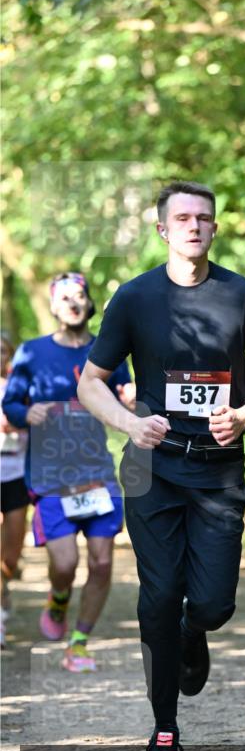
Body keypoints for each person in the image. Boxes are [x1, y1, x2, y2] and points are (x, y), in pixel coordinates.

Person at [77, 180, 245, 751]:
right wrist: (128, 422)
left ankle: (193, 629)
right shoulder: (134, 298)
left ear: (215, 229)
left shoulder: (241, 295)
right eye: (182, 217)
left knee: (213, 605)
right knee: (158, 596)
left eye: (204, 218)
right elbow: (90, 381)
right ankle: (165, 729)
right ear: (163, 230)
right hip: (153, 469)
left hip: (218, 473)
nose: (194, 226)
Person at [2, 274, 134, 672]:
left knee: (101, 562)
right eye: (64, 298)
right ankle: (59, 600)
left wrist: (127, 401)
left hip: (97, 475)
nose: (73, 303)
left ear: (89, 304)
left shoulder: (108, 350)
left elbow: (126, 398)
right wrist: (29, 412)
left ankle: (79, 643)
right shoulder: (31, 353)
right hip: (50, 476)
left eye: (79, 296)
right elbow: (10, 406)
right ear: (55, 307)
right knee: (64, 565)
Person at [0, 332, 30, 648]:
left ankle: (4, 589)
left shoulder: (20, 389)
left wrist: (20, 422)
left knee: (9, 557)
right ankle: (0, 620)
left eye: (3, 351)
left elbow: (37, 424)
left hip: (17, 474)